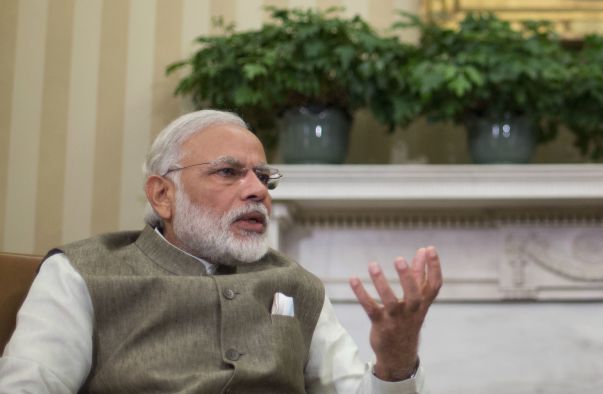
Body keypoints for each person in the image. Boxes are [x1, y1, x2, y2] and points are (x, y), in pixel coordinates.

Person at [0, 109, 442, 393]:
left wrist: (396, 357)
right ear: (162, 195)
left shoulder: (296, 284)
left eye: (263, 178)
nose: (257, 191)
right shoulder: (82, 273)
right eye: (229, 172)